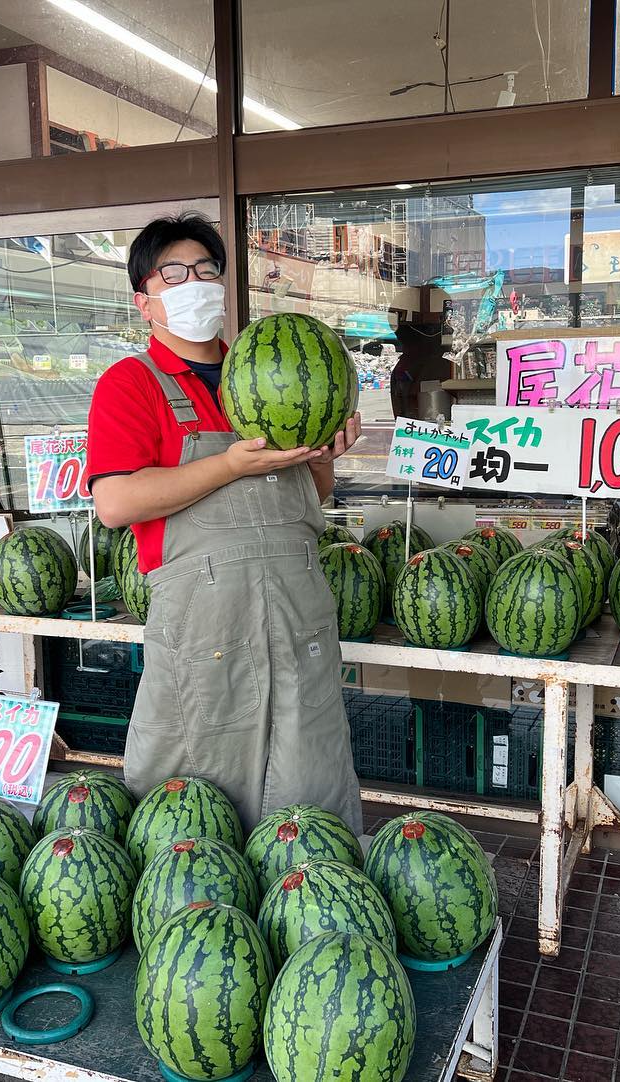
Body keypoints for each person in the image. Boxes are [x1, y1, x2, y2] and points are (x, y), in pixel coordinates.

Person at [86, 213, 364, 834]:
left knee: (307, 788)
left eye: (207, 271)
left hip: (296, 614)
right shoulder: (131, 383)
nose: (195, 283)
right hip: (203, 627)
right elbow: (116, 502)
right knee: (195, 807)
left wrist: (322, 454)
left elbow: (310, 498)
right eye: (175, 274)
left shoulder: (267, 374)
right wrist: (229, 464)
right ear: (144, 301)